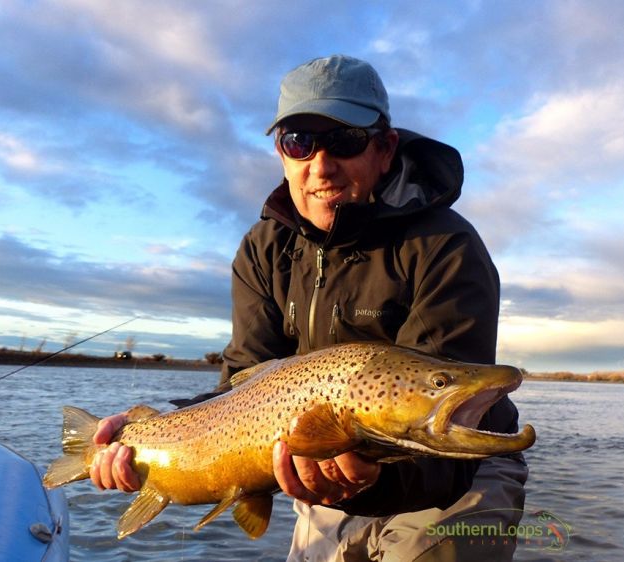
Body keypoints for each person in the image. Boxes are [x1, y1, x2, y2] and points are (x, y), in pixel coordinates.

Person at [90, 55, 528, 561]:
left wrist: (367, 476)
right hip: (323, 469)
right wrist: (153, 428)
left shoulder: (446, 246)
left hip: (458, 470)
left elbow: (439, 443)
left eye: (344, 141)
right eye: (299, 142)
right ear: (281, 152)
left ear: (385, 150)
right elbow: (242, 388)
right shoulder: (263, 249)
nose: (320, 165)